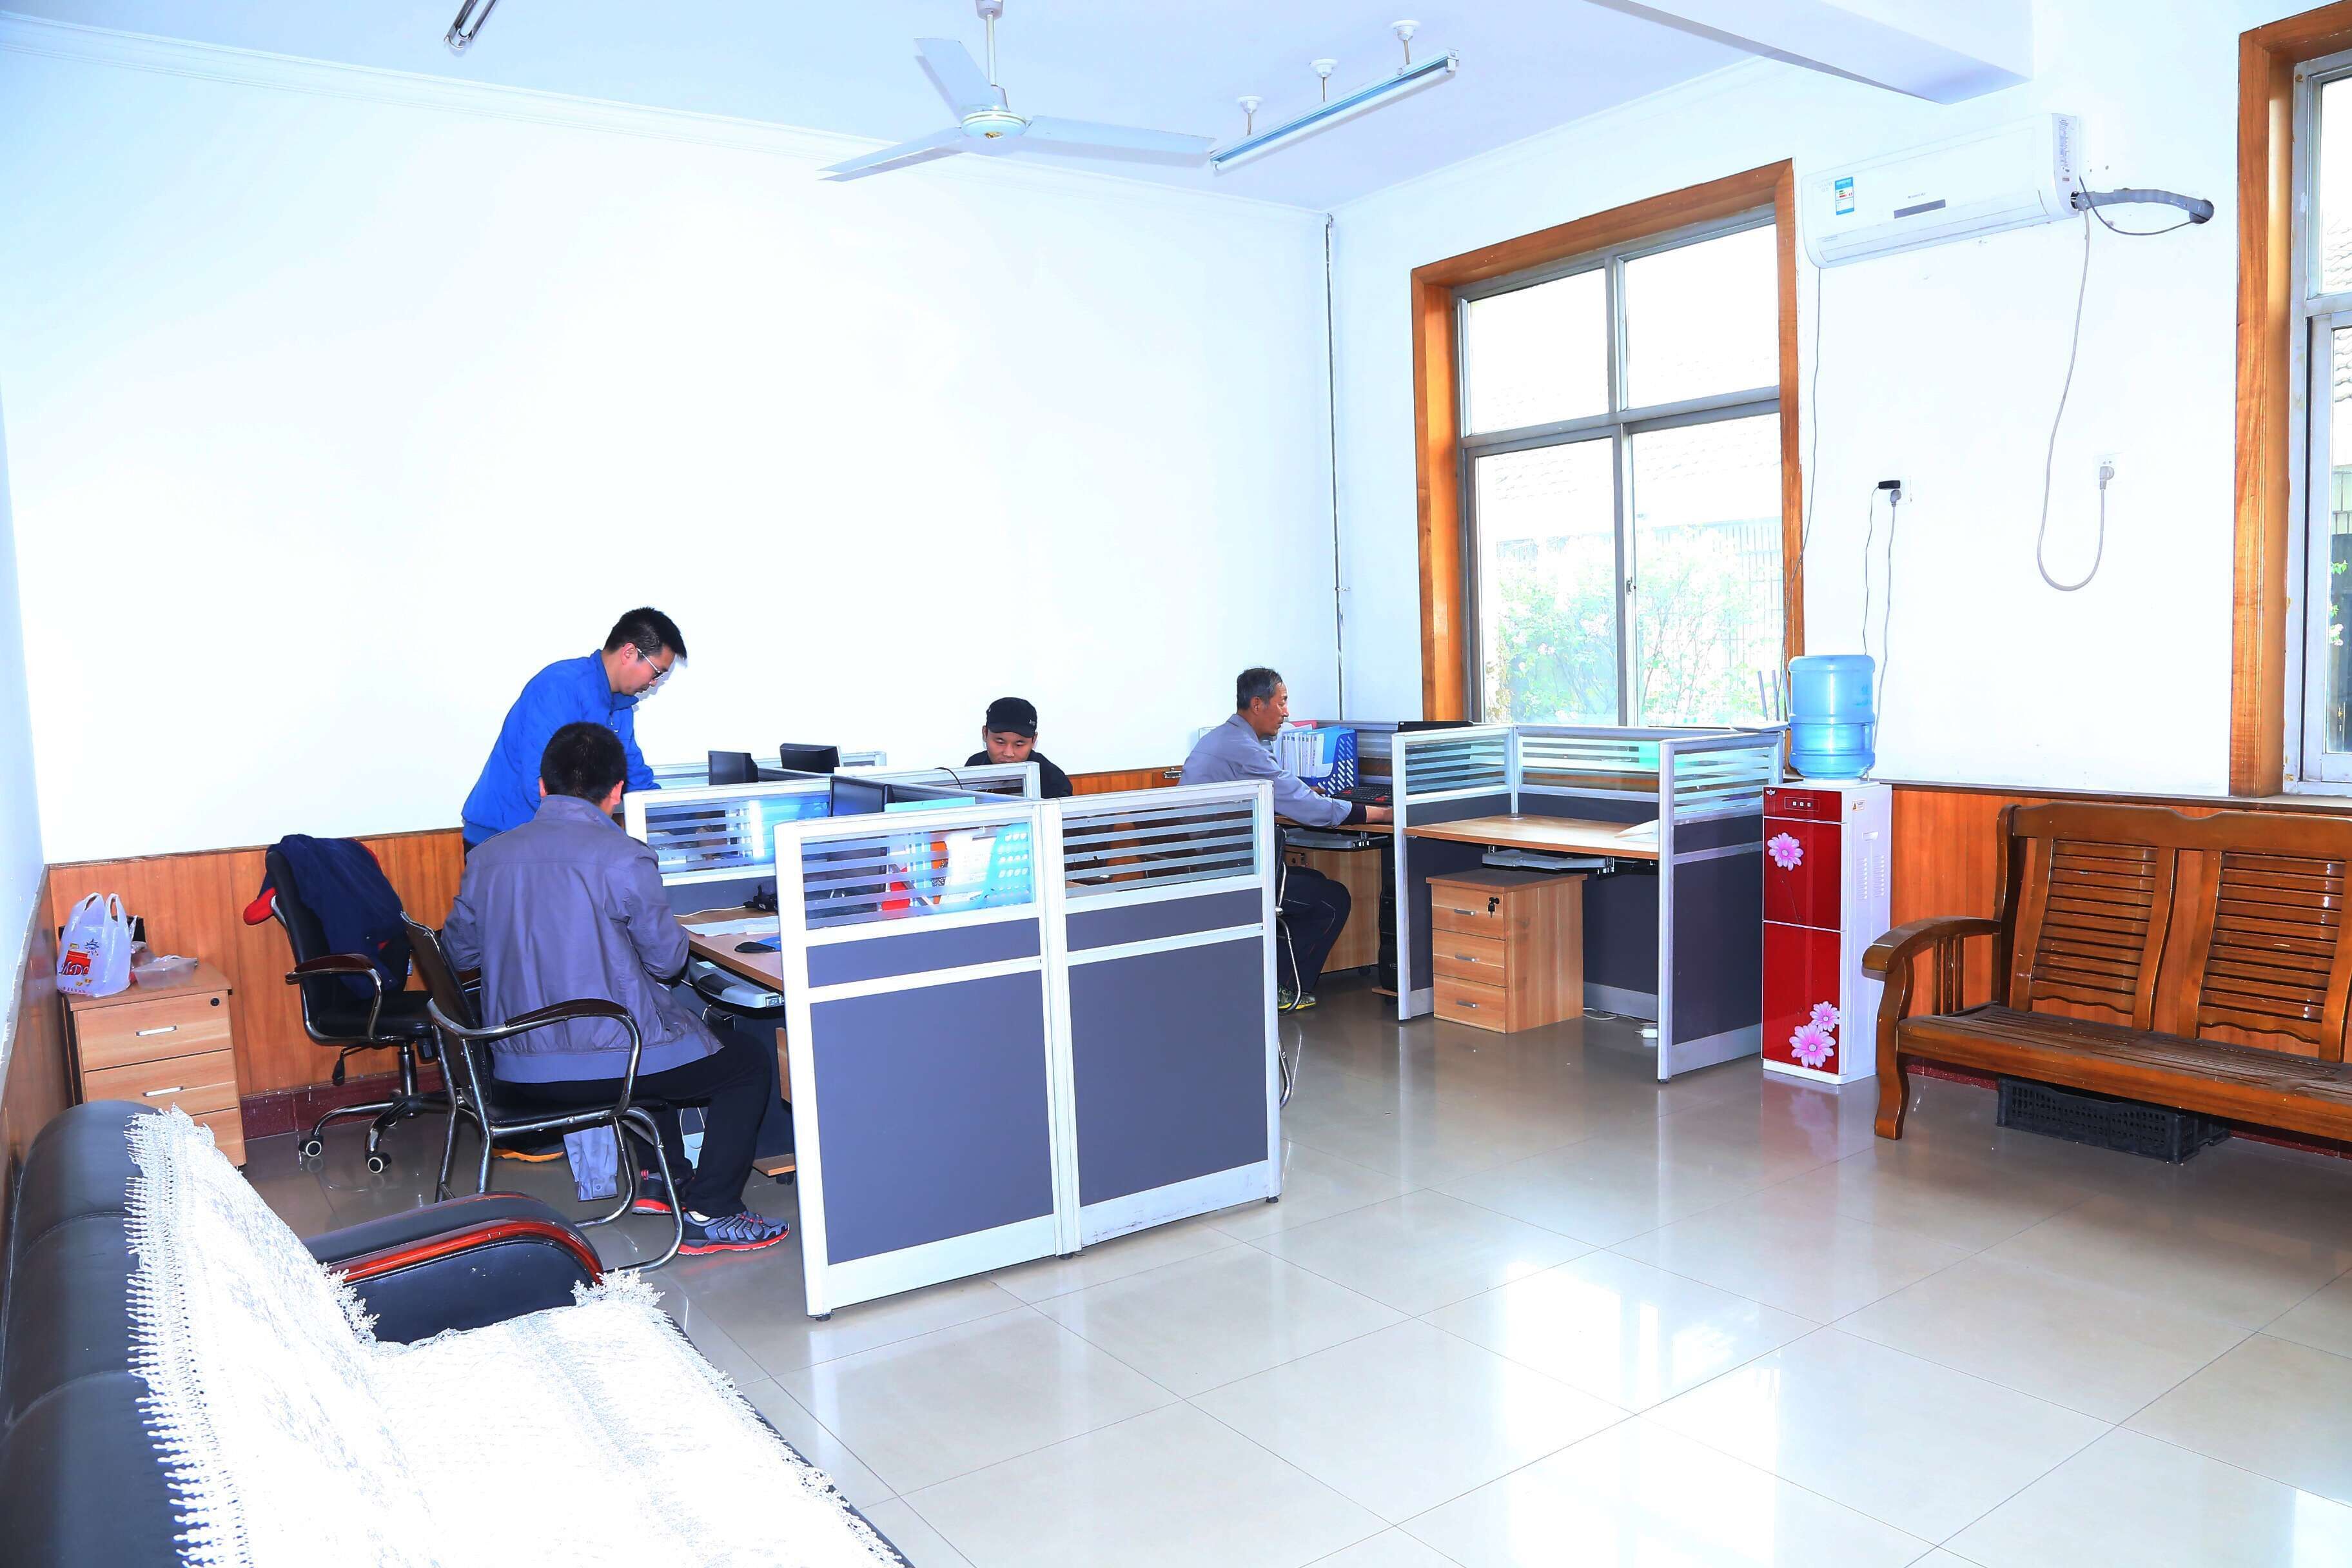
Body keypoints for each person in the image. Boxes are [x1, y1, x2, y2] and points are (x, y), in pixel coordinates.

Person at [442, 722, 792, 1255]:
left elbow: (460, 954)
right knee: (742, 1061)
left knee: (668, 1030)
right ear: (617, 792)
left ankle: (660, 1179)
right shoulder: (625, 857)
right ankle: (713, 1210)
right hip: (609, 1066)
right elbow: (667, 961)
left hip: (514, 1069)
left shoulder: (487, 858)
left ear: (542, 786)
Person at [1181, 667, 1390, 1009]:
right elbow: (1309, 810)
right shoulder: (1244, 748)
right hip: (1228, 872)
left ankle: (1268, 978)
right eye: (1282, 703)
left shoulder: (1222, 739)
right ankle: (1282, 988)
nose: (1287, 712)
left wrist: (1301, 793)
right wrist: (1377, 814)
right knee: (1332, 899)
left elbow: (1280, 789)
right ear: (1258, 704)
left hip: (1207, 865)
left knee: (1314, 880)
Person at [460, 608, 685, 853]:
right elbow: (540, 785)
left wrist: (693, 826)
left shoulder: (620, 707)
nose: (654, 682)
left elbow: (635, 781)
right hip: (504, 839)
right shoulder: (559, 688)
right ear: (629, 652)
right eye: (657, 672)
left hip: (557, 838)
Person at [965, 696, 1075, 798]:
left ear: (1034, 740)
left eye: (1019, 744)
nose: (1008, 753)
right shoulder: (974, 767)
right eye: (1000, 742)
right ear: (985, 734)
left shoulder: (1052, 780)